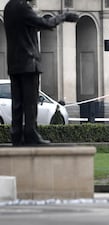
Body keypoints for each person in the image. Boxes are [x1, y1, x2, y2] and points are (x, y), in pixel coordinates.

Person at [4, 0, 79, 146]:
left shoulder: (9, 8)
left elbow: (28, 26)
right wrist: (64, 16)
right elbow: (45, 24)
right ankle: (31, 133)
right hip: (28, 62)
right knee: (30, 104)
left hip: (14, 63)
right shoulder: (22, 7)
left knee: (17, 104)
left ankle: (16, 135)